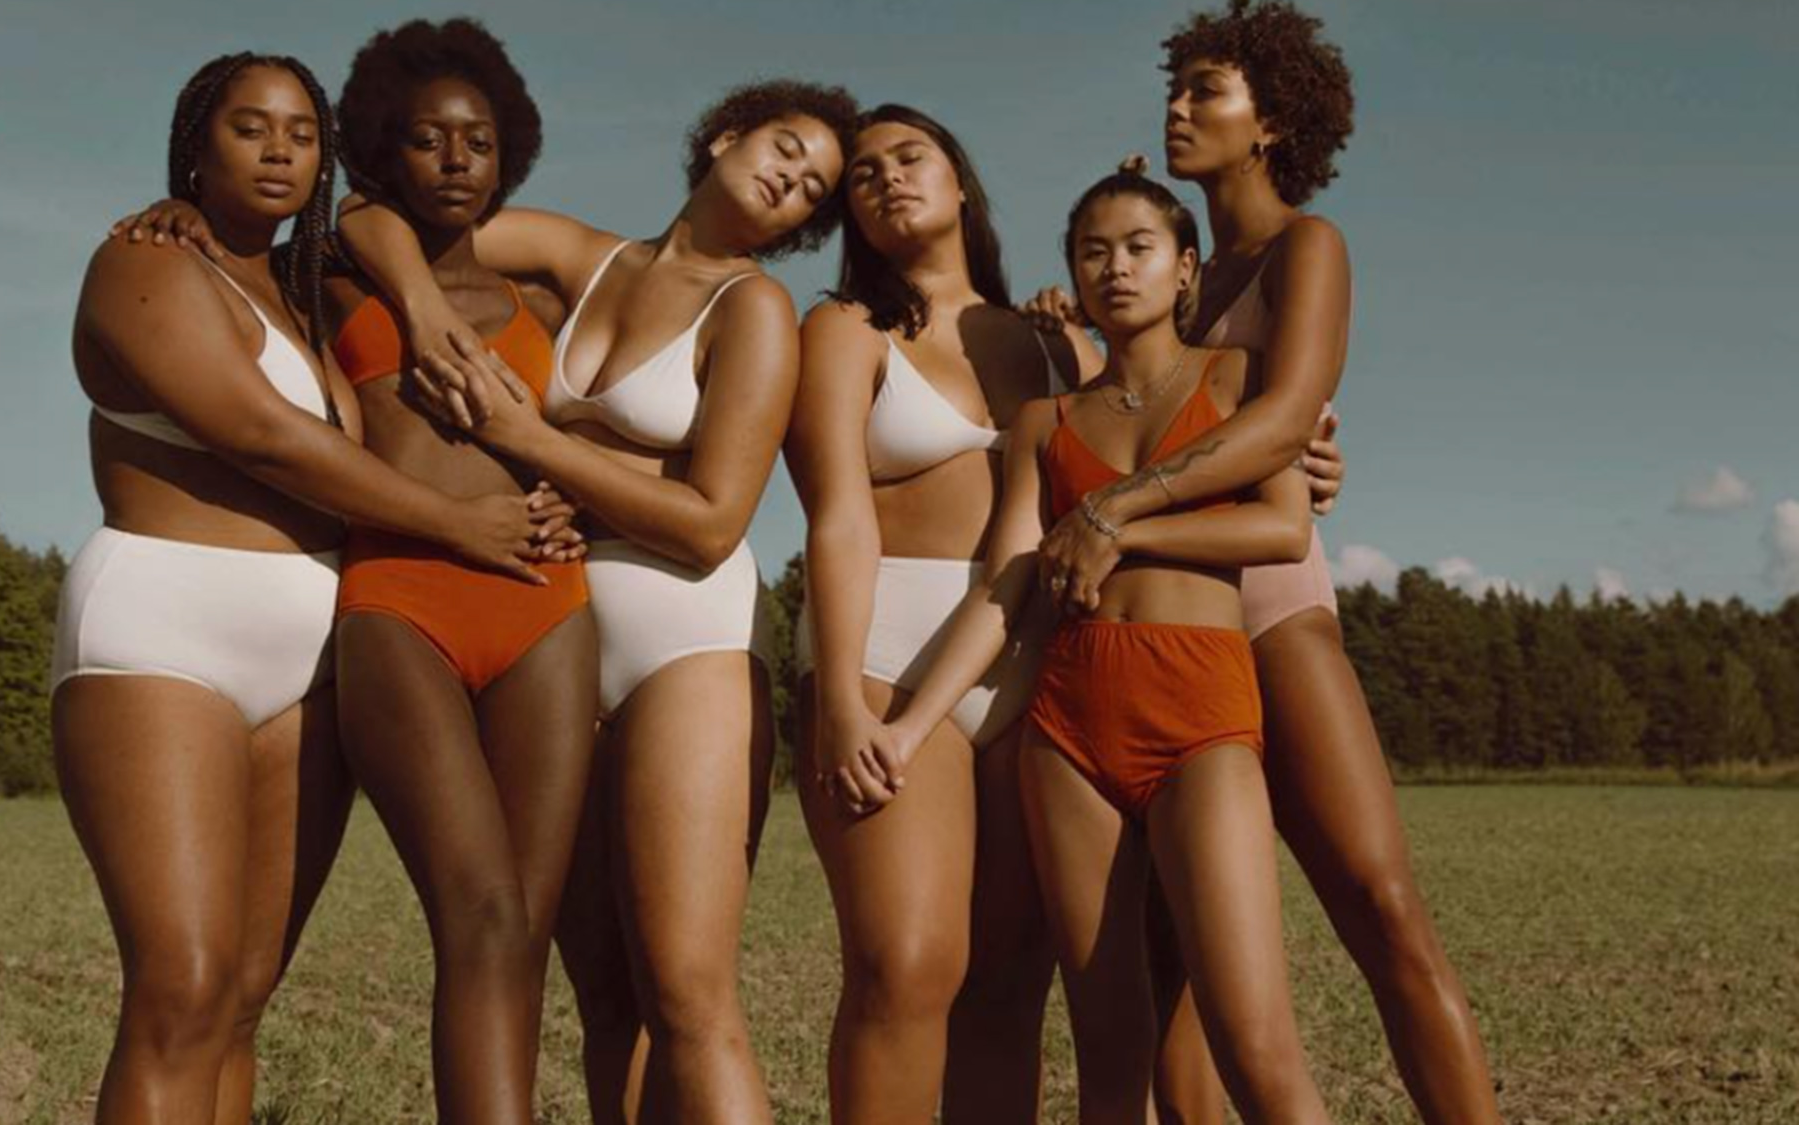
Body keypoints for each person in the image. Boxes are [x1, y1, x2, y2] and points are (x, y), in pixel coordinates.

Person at [58, 52, 565, 1125]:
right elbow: (260, 436)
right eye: (250, 128)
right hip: (167, 630)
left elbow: (385, 227)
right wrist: (457, 523)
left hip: (308, 657)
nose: (282, 148)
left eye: (302, 132)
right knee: (180, 988)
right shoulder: (141, 264)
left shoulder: (301, 287)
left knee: (240, 1002)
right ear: (195, 148)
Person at [340, 79, 859, 1125]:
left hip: (684, 641)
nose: (788, 180)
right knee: (603, 999)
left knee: (688, 996)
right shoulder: (584, 258)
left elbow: (713, 518)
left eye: (810, 189)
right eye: (783, 148)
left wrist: (532, 444)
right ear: (723, 136)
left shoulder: (754, 309)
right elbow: (372, 216)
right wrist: (426, 307)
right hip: (560, 632)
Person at [1026, 3, 1502, 1121]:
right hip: (1143, 628)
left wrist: (1118, 508)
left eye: (1206, 89)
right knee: (1170, 971)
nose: (1177, 105)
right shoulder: (1177, 272)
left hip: (1266, 602)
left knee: (1380, 906)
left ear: (1272, 119)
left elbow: (1283, 423)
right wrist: (1076, 340)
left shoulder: (1305, 247)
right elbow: (1144, 400)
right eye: (1175, 87)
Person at [897, 157, 1333, 1124]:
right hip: (1069, 728)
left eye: (1140, 248)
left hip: (1203, 716)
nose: (1116, 268)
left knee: (1256, 1046)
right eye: (1093, 252)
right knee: (1108, 1046)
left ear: (1186, 269)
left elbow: (1283, 530)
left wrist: (1117, 521)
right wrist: (909, 721)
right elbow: (1013, 582)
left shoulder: (1243, 381)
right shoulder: (1042, 420)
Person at [326, 20, 597, 1122]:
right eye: (427, 138)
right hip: (399, 600)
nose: (453, 159)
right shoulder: (339, 275)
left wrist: (581, 488)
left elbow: (604, 423)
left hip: (546, 606)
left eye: (476, 142)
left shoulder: (538, 305)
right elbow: (340, 214)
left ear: (507, 157)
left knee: (520, 928)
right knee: (479, 910)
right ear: (383, 150)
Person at [784, 103, 1072, 1124]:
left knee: (1008, 981)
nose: (886, 179)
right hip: (883, 654)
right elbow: (836, 519)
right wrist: (842, 705)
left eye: (909, 158)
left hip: (1027, 658)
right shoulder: (842, 330)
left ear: (959, 181)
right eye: (861, 175)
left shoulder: (1047, 341)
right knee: (906, 965)